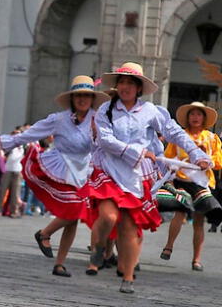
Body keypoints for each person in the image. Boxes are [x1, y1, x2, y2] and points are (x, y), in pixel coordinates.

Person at [79, 62, 210, 293]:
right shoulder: (105, 110)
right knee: (108, 216)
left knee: (129, 227)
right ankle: (98, 248)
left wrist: (196, 153)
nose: (126, 86)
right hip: (110, 171)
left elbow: (174, 132)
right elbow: (106, 141)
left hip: (135, 177)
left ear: (139, 88)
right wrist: (139, 152)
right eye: (122, 82)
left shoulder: (151, 111)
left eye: (131, 82)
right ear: (117, 85)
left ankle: (128, 277)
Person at [0, 75, 110, 277]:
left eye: (86, 95)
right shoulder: (58, 119)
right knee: (74, 210)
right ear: (72, 98)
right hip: (61, 166)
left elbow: (104, 146)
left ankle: (58, 262)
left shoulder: (98, 120)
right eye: (78, 96)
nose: (82, 99)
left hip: (84, 170)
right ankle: (45, 234)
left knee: (73, 217)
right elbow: (30, 134)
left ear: (92, 99)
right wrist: (5, 142)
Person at [160, 102, 222, 271]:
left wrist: (206, 158)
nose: (195, 117)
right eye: (192, 114)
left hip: (202, 182)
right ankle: (168, 246)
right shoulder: (180, 136)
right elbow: (168, 157)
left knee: (199, 220)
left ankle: (196, 259)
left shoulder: (211, 138)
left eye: (199, 114)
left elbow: (218, 162)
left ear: (204, 118)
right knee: (179, 213)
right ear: (187, 118)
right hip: (182, 180)